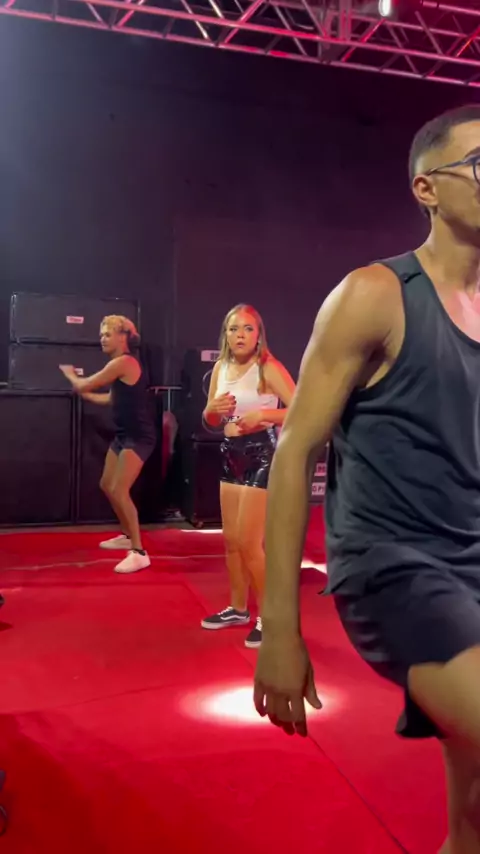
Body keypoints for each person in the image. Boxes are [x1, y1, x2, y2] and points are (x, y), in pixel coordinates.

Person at [254, 105, 480, 854]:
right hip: (397, 568)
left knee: (473, 821)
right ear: (427, 188)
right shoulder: (375, 294)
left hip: (474, 560)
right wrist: (279, 630)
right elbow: (295, 453)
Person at [201, 304, 295, 648]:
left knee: (249, 543)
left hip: (262, 454)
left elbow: (302, 409)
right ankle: (238, 609)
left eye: (247, 329)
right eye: (233, 329)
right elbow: (211, 420)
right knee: (230, 541)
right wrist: (211, 411)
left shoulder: (268, 367)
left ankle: (271, 619)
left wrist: (265, 415)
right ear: (225, 335)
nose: (239, 335)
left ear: (258, 335)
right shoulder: (220, 368)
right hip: (230, 452)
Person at [59, 315, 155, 574]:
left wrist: (71, 376)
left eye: (107, 334)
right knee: (107, 485)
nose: (102, 339)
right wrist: (85, 394)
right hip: (124, 434)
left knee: (120, 490)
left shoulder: (124, 362)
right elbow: (111, 400)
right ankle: (127, 536)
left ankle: (139, 552)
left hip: (139, 436)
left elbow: (85, 383)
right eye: (101, 334)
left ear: (122, 337)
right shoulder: (119, 365)